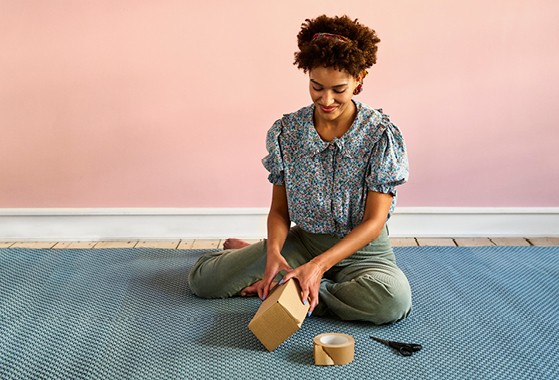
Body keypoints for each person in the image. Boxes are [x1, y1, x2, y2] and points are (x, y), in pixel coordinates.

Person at [188, 15, 412, 324]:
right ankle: (282, 270)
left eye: (339, 89)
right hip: (305, 242)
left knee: (392, 301)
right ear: (307, 74)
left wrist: (318, 268)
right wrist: (273, 254)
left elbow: (374, 222)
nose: (327, 99)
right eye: (316, 86)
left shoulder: (380, 135)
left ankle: (295, 288)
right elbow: (280, 211)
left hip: (364, 252)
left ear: (360, 78)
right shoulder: (287, 132)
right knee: (203, 281)